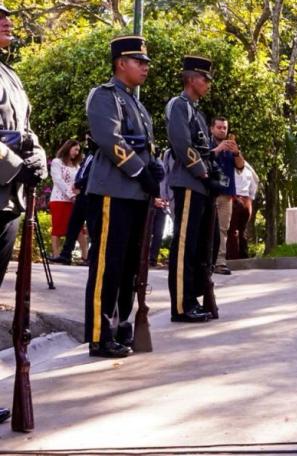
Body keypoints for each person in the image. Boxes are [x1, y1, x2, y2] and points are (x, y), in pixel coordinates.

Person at [84, 35, 163, 358]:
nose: (145, 67)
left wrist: (154, 168)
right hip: (112, 192)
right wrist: (140, 172)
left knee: (131, 266)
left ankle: (121, 326)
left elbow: (146, 146)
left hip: (135, 195)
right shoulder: (105, 96)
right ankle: (100, 335)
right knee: (108, 265)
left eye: (145, 62)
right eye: (139, 61)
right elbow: (110, 139)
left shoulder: (137, 104)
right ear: (121, 63)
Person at [0, 2, 49, 422]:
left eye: (7, 16)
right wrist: (17, 161)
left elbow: (26, 132)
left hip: (7, 199)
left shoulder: (10, 76)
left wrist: (39, 158)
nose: (7, 22)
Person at [165, 56, 216, 323]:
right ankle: (181, 305)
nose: (207, 83)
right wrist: (202, 171)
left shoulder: (196, 112)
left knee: (197, 246)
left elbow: (203, 148)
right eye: (204, 79)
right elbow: (181, 143)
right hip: (187, 182)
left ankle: (192, 298)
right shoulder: (179, 106)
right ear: (191, 79)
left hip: (200, 186)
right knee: (184, 246)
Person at [51, 134, 95, 265]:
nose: (77, 152)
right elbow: (58, 180)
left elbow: (79, 180)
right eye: (75, 149)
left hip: (75, 200)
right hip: (60, 199)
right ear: (68, 148)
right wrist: (71, 194)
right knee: (58, 229)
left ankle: (85, 256)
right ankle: (57, 255)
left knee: (78, 229)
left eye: (78, 150)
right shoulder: (57, 162)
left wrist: (77, 193)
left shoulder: (77, 165)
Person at [209, 117, 244, 274]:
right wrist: (218, 149)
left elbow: (241, 166)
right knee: (206, 228)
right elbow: (204, 159)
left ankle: (220, 262)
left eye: (225, 127)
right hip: (209, 193)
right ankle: (205, 262)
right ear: (212, 129)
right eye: (219, 127)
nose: (222, 130)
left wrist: (236, 152)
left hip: (226, 194)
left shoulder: (232, 147)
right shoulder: (206, 144)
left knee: (223, 229)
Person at [227, 161, 259, 260]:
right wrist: (250, 199)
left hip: (234, 198)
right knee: (242, 231)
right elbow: (255, 181)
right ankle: (243, 256)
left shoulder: (229, 164)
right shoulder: (248, 168)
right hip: (246, 200)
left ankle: (233, 258)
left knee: (232, 230)